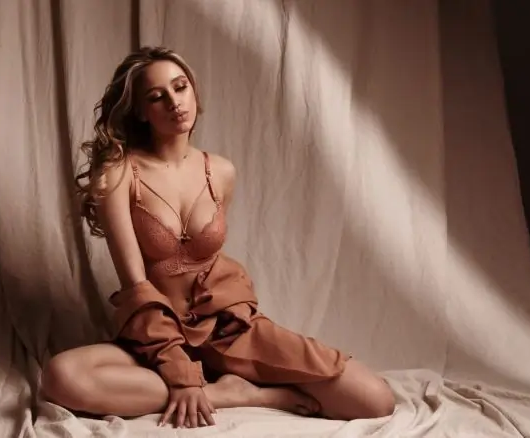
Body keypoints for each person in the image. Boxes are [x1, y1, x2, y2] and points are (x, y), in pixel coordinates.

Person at [41, 46, 395, 429]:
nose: (174, 102)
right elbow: (136, 287)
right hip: (157, 335)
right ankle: (230, 394)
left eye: (180, 88)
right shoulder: (118, 174)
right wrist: (180, 374)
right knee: (61, 377)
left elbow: (208, 257)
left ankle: (218, 376)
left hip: (227, 326)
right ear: (141, 111)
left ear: (194, 91)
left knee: (375, 399)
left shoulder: (221, 171)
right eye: (157, 96)